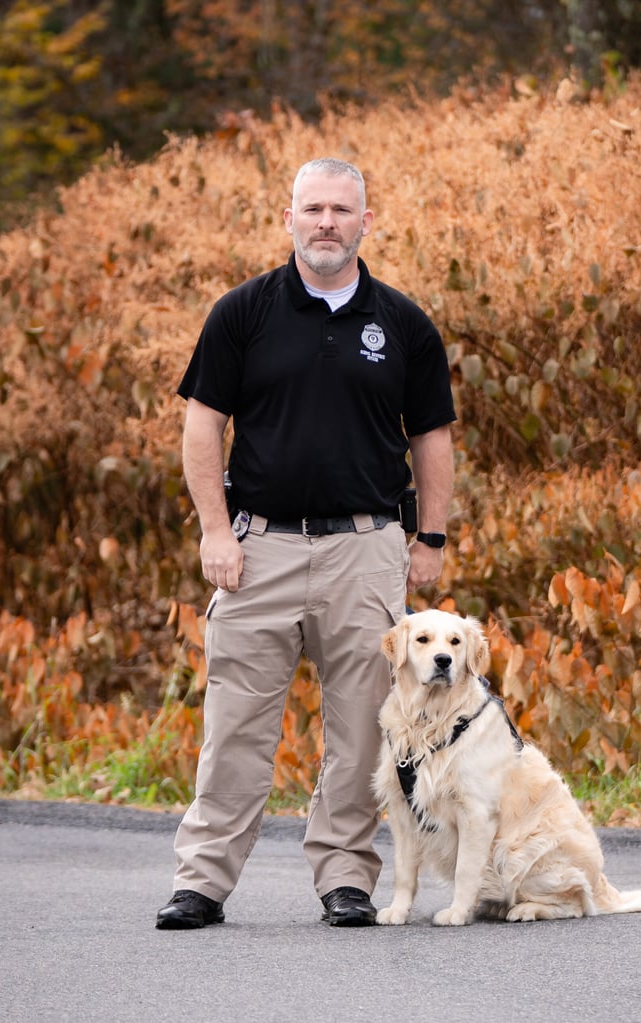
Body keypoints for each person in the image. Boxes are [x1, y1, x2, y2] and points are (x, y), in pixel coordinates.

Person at [156, 157, 456, 929]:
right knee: (234, 726)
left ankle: (345, 879)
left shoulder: (402, 323)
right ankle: (202, 882)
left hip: (365, 548)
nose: (326, 222)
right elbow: (201, 423)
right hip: (259, 549)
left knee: (362, 726)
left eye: (341, 210)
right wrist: (214, 530)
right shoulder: (243, 313)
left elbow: (430, 436)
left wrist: (429, 535)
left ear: (366, 221)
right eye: (312, 208)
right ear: (287, 217)